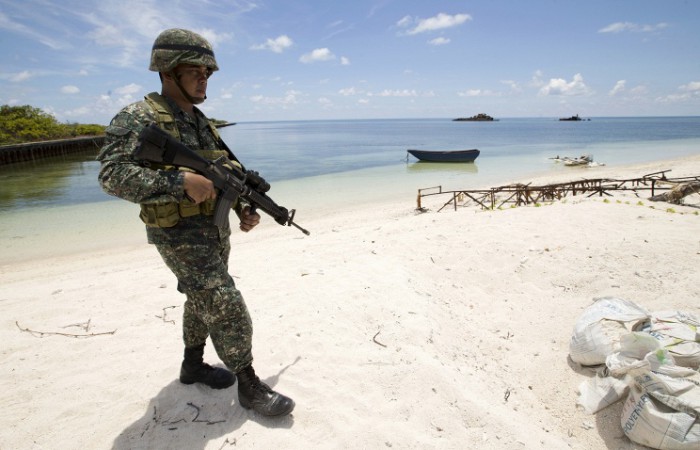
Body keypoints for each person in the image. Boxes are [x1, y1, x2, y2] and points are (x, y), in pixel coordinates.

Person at [97, 28, 294, 417]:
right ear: (168, 71)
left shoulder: (203, 123)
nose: (205, 78)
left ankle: (193, 365)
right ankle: (249, 383)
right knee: (223, 301)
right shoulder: (140, 116)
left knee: (199, 299)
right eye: (196, 71)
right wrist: (179, 181)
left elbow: (224, 177)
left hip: (213, 232)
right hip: (177, 232)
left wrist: (242, 210)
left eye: (209, 72)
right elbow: (110, 176)